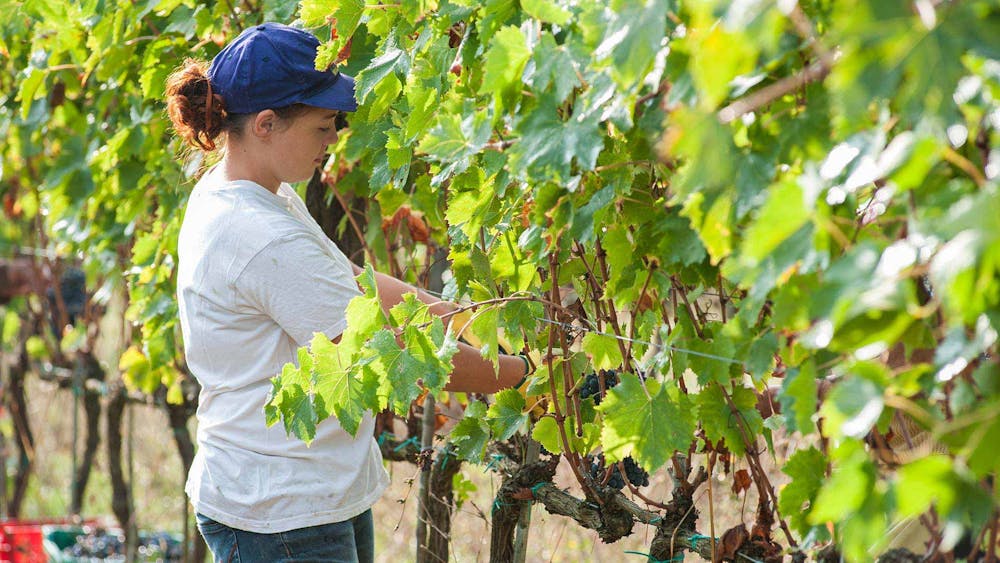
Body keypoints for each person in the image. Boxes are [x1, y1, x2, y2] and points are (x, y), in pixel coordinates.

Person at [165, 23, 529, 563]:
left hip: (308, 492)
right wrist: (524, 374)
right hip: (280, 511)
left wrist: (476, 317)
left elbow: (359, 286)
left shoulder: (258, 194)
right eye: (324, 126)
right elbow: (393, 353)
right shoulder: (258, 235)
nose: (334, 139)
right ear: (266, 124)